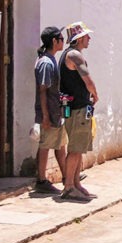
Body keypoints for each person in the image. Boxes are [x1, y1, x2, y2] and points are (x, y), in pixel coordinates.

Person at [59, 21, 99, 202]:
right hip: (78, 109)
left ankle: (76, 184)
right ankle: (69, 187)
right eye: (86, 35)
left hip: (72, 108)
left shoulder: (67, 54)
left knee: (78, 147)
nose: (89, 38)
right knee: (75, 149)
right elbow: (87, 81)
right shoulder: (75, 55)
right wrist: (95, 95)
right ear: (79, 38)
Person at [33, 26, 67, 195]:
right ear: (54, 41)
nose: (63, 41)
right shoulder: (46, 63)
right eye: (61, 39)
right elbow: (43, 90)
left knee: (60, 144)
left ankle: (67, 176)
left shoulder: (50, 59)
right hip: (49, 112)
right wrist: (45, 116)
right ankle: (41, 180)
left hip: (56, 111)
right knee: (46, 145)